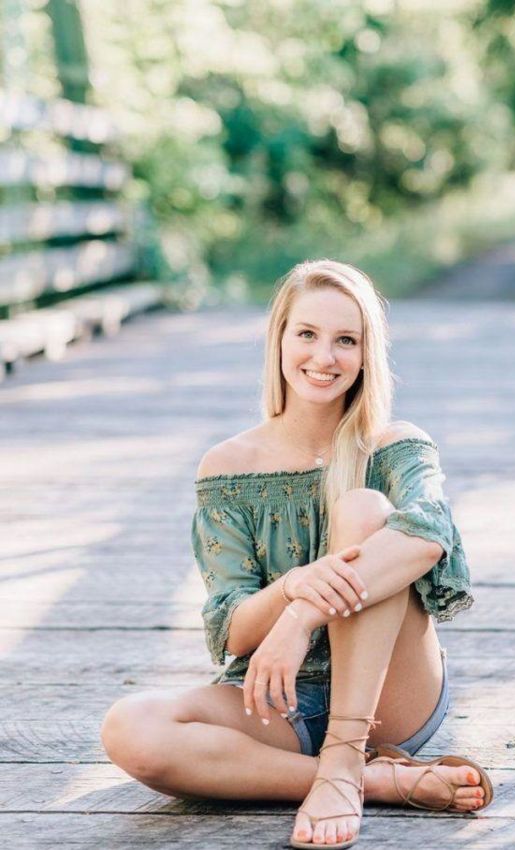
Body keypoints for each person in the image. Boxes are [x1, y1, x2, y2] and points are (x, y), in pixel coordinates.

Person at [101, 259, 493, 850]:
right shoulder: (228, 466)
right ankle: (370, 780)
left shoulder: (395, 445)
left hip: (393, 693)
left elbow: (430, 533)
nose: (324, 357)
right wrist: (289, 587)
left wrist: (301, 615)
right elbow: (232, 629)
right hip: (283, 698)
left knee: (364, 510)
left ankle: (345, 756)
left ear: (366, 354)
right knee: (130, 729)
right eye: (307, 333)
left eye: (346, 340)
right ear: (279, 339)